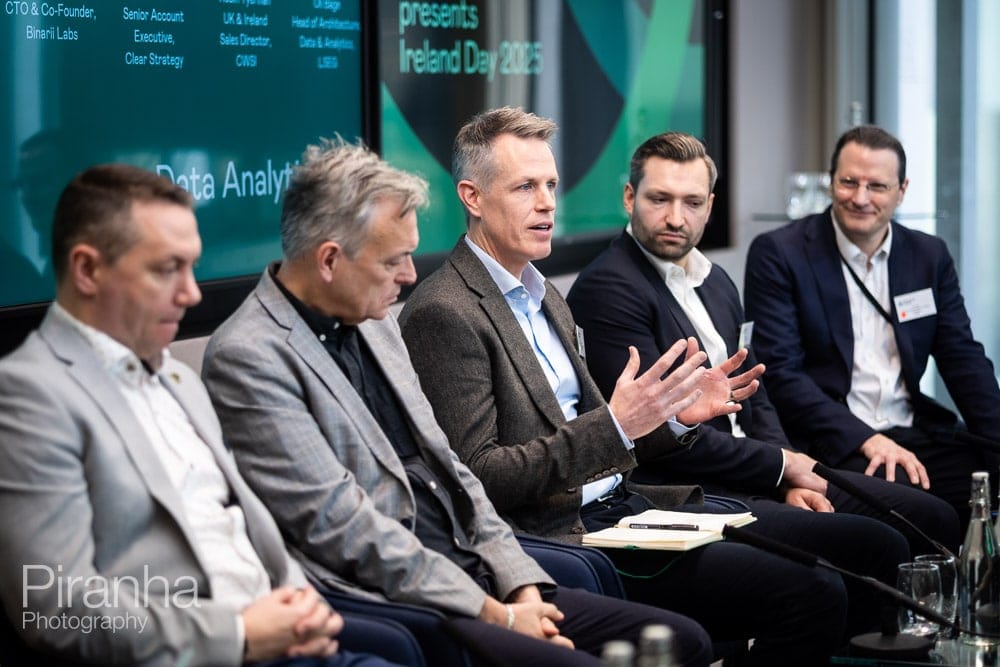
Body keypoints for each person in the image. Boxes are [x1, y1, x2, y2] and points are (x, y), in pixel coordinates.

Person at [398, 107, 908, 665]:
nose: (547, 203)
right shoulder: (443, 312)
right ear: (472, 197)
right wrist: (619, 423)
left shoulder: (544, 294)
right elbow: (482, 477)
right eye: (525, 187)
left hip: (634, 506)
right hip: (568, 534)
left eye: (550, 185)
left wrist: (672, 418)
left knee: (865, 550)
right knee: (811, 594)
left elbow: (611, 435)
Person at [200, 138, 714, 667]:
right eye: (395, 260)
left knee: (682, 640)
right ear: (330, 260)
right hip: (397, 585)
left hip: (471, 554)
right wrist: (498, 613)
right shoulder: (251, 355)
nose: (407, 278)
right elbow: (343, 525)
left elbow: (452, 470)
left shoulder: (373, 322)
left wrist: (520, 586)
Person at [0, 164, 397, 666]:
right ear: (87, 270)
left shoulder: (176, 378)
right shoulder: (29, 395)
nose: (191, 293)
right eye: (167, 269)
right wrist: (239, 634)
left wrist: (299, 606)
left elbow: (246, 527)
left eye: (191, 267)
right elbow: (54, 609)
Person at [565, 131, 960, 555]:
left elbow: (759, 396)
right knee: (874, 542)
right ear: (629, 198)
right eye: (659, 199)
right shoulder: (609, 287)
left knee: (933, 515)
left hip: (754, 473)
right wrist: (782, 467)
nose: (676, 218)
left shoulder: (715, 281)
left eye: (692, 202)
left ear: (710, 207)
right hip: (691, 490)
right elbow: (660, 440)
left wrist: (787, 472)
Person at [744, 124, 1000, 523]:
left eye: (877, 186)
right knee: (932, 513)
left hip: (915, 432)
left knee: (988, 483)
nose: (860, 198)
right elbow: (781, 374)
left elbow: (963, 359)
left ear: (902, 190)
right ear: (831, 182)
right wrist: (867, 438)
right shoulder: (780, 253)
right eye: (849, 182)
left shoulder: (927, 256)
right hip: (834, 440)